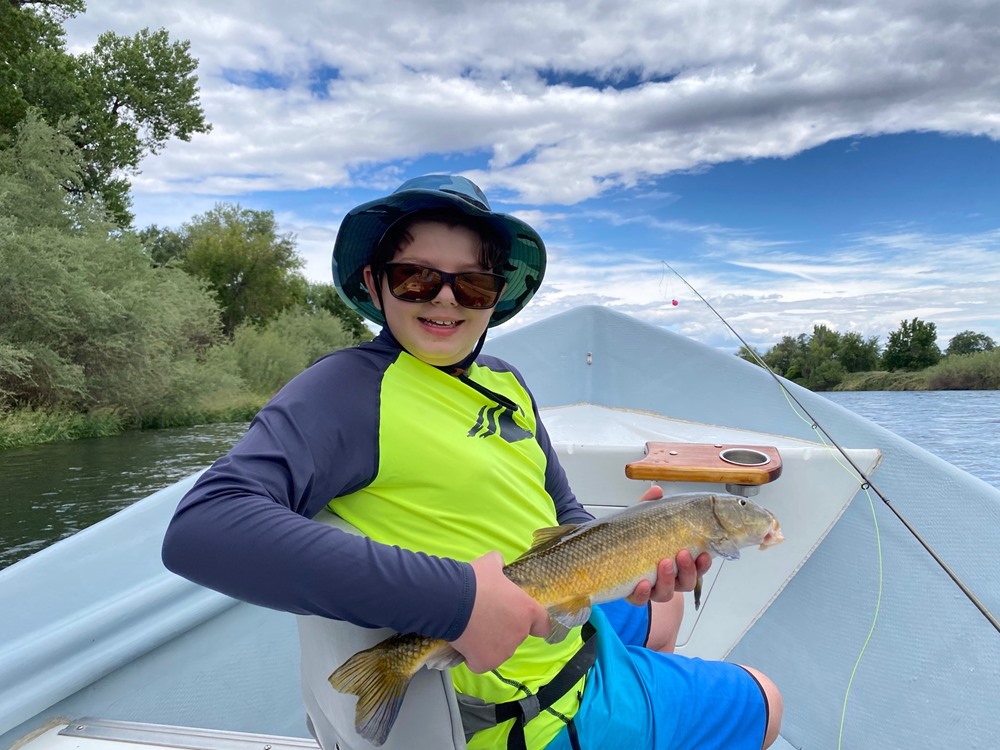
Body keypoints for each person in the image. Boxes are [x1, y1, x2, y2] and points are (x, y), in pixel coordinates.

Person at [161, 174, 782, 750]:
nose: (446, 299)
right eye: (416, 278)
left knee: (664, 606)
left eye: (474, 283)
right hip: (529, 703)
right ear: (376, 284)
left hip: (556, 614)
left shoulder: (503, 380)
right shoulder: (345, 392)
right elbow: (203, 527)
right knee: (766, 698)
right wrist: (458, 601)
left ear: (495, 297)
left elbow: (558, 509)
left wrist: (623, 540)